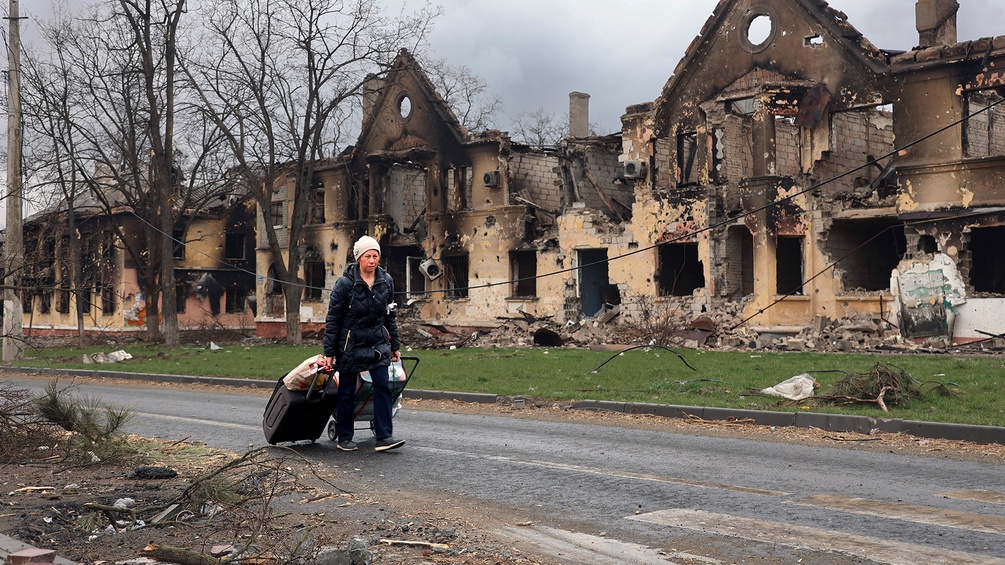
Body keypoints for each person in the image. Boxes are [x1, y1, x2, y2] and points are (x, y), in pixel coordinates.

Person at [323, 235, 404, 452]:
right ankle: (345, 437)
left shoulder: (386, 281)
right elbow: (333, 319)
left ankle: (384, 436)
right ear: (359, 258)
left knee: (382, 387)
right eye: (367, 256)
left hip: (377, 342)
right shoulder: (345, 284)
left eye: (375, 256)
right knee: (347, 391)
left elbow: (390, 315)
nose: (372, 260)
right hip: (350, 344)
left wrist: (394, 345)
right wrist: (329, 352)